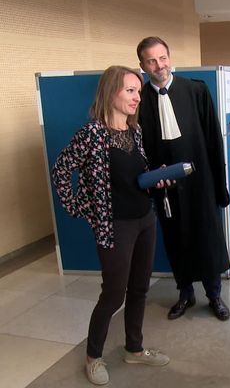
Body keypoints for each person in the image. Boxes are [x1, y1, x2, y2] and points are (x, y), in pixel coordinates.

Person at [52, 66, 170, 386]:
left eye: (138, 91)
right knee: (114, 294)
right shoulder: (92, 134)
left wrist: (155, 180)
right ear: (111, 92)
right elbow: (61, 171)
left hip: (145, 218)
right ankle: (93, 356)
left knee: (140, 289)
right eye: (129, 90)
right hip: (115, 226)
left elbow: (133, 179)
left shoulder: (135, 131)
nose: (136, 97)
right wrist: (79, 208)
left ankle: (134, 348)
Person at [136, 37, 230, 321]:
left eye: (162, 58)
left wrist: (219, 186)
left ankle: (214, 295)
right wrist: (153, 180)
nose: (159, 65)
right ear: (142, 65)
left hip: (201, 183)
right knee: (176, 239)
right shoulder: (139, 101)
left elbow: (214, 140)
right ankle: (185, 294)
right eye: (151, 61)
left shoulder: (196, 91)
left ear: (169, 57)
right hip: (166, 188)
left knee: (207, 237)